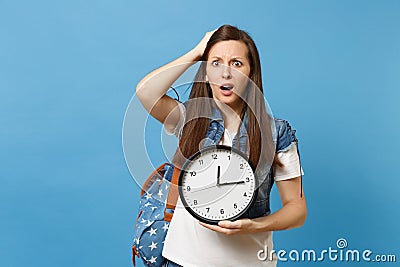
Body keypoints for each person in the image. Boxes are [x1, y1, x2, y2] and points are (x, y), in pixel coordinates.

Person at [136, 24, 307, 267]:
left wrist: (253, 226)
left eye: (236, 63)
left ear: (250, 73)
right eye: (216, 63)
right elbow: (145, 93)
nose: (225, 73)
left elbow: (297, 208)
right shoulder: (190, 119)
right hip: (182, 260)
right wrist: (197, 52)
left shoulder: (275, 132)